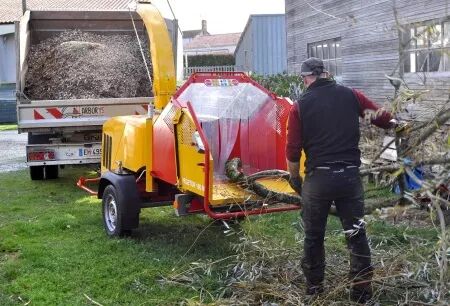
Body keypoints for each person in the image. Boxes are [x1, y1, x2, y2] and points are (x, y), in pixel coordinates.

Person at [286, 57, 394, 303]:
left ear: (306, 78)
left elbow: (292, 150)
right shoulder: (351, 95)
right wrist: (397, 124)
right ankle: (362, 293)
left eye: (303, 78)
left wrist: (295, 178)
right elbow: (380, 117)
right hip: (349, 177)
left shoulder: (300, 106)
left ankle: (314, 290)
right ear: (325, 73)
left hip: (318, 178)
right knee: (356, 234)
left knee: (314, 237)